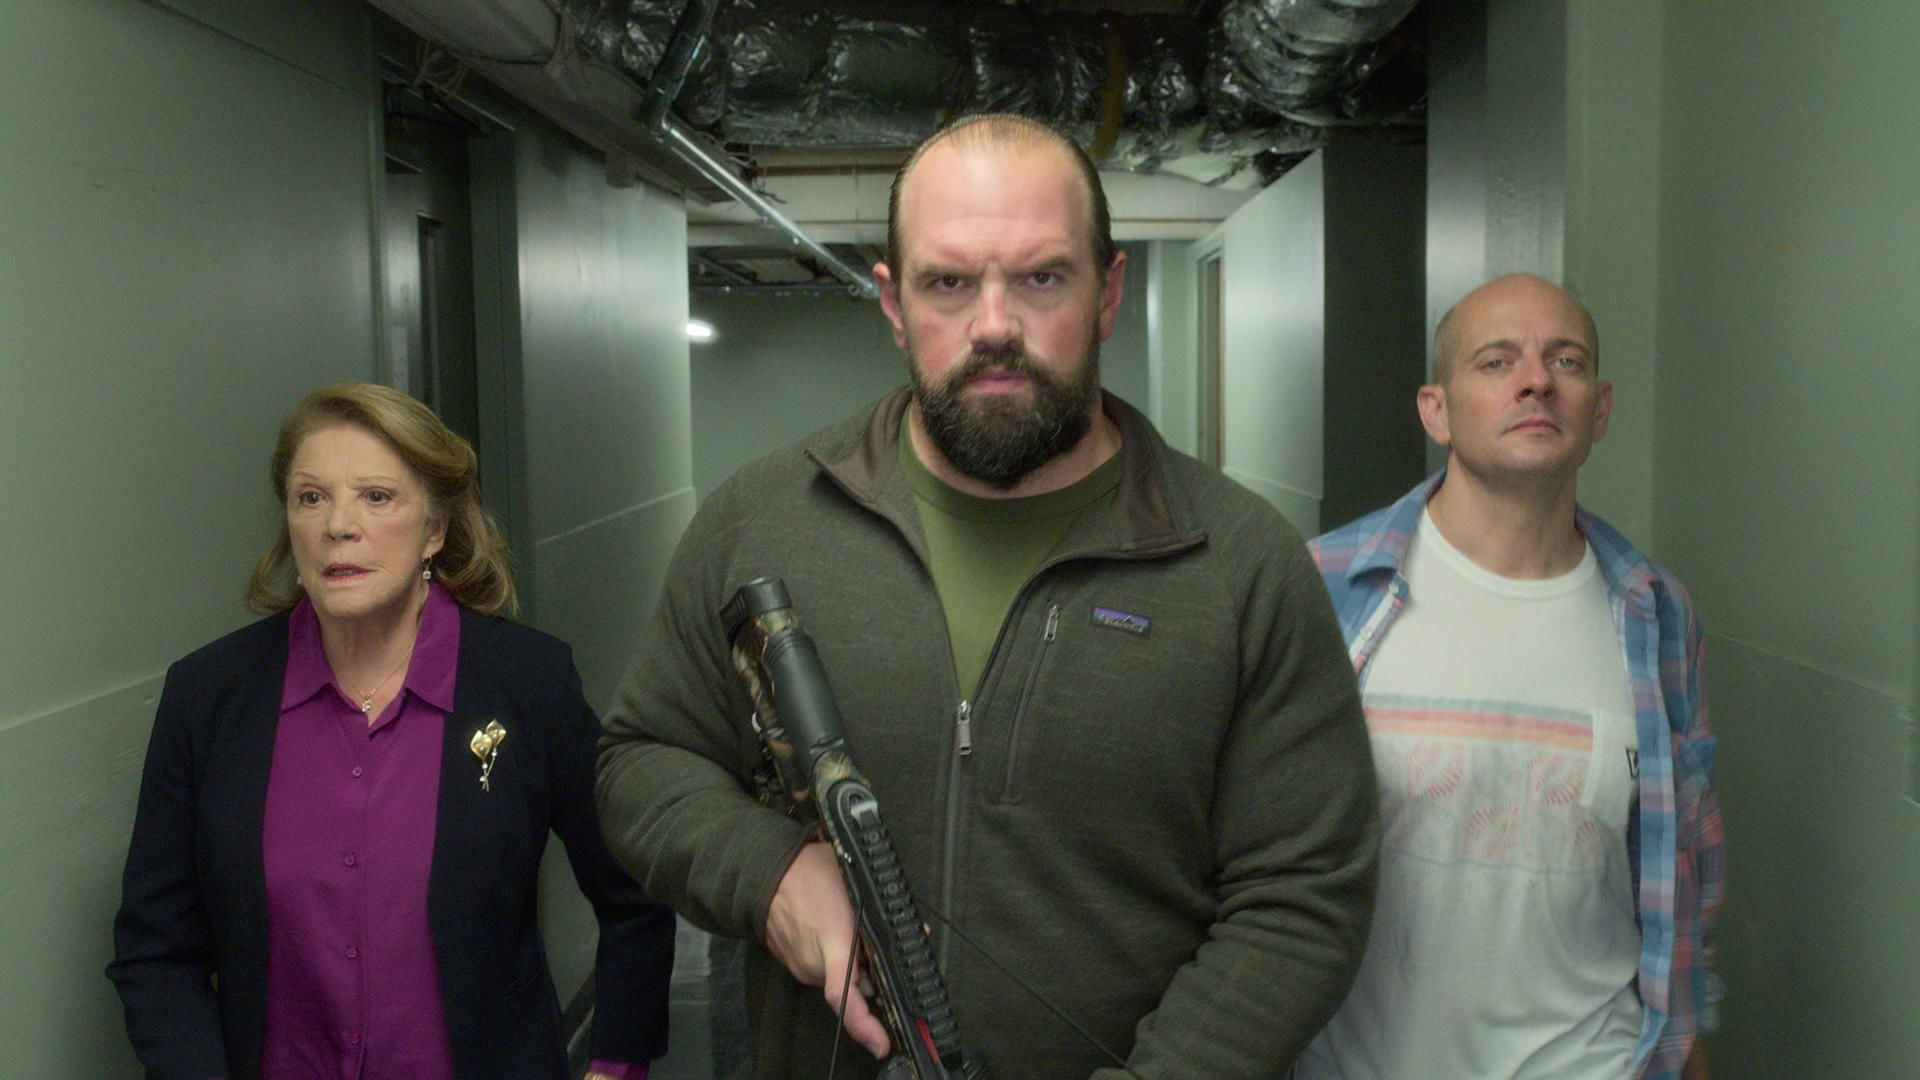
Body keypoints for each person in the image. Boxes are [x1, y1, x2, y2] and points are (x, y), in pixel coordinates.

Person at [595, 113, 1378, 1079]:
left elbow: (1303, 897)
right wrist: (770, 874)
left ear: (1108, 292)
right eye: (949, 283)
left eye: (1042, 277)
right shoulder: (759, 520)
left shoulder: (1243, 567)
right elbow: (642, 761)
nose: (996, 325)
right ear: (892, 302)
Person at [108, 383, 674, 1080]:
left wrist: (615, 1065)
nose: (338, 525)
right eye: (311, 498)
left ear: (435, 530)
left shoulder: (527, 682)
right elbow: (155, 948)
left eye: (376, 497)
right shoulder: (208, 698)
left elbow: (633, 891)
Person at [1296, 274, 1724, 1080]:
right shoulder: (1322, 589)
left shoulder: (1657, 614)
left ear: (1600, 410)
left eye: (1567, 360)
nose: (1536, 381)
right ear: (1436, 410)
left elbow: (1687, 875)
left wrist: (1690, 1053)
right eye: (1496, 362)